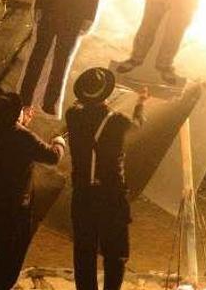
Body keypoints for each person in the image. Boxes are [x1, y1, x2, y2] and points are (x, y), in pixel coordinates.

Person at [65, 68, 146, 290]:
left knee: (84, 252)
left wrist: (90, 97)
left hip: (82, 195)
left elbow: (76, 105)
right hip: (112, 195)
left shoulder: (72, 117)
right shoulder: (118, 121)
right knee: (115, 253)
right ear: (106, 95)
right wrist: (140, 103)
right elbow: (138, 126)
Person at [0, 92, 66, 290]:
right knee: (12, 260)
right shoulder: (22, 136)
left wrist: (21, 122)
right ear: (12, 114)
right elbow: (52, 157)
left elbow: (14, 141)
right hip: (14, 210)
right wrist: (59, 141)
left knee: (1, 256)